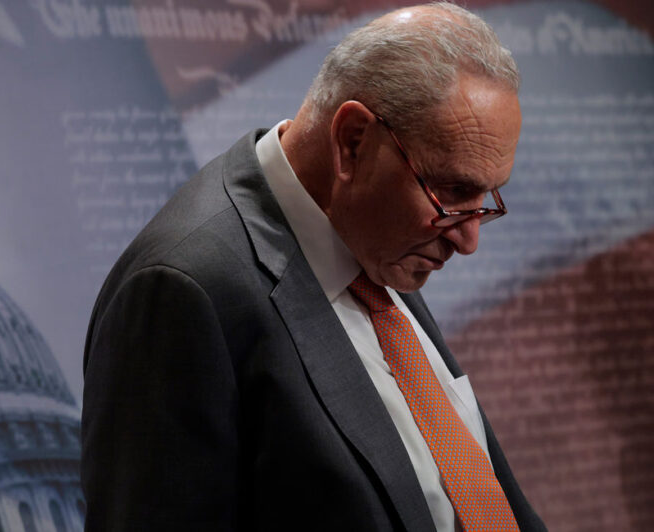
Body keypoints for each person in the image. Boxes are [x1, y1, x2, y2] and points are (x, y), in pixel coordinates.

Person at [81, 3, 546, 531]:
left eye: (485, 197)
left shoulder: (375, 236)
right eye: (454, 192)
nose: (468, 240)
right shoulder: (181, 292)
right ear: (352, 142)